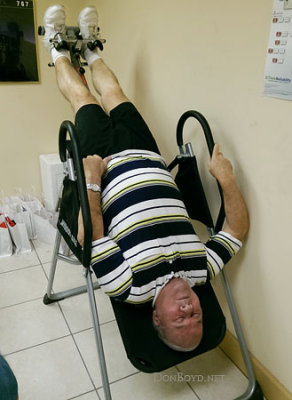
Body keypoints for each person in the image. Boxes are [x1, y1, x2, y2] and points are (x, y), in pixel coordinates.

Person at [42, 5, 249, 352]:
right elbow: (236, 231)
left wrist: (91, 179)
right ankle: (91, 49)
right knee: (117, 94)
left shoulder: (129, 287)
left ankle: (57, 48)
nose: (189, 309)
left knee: (83, 99)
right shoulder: (201, 272)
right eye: (196, 317)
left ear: (157, 318)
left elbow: (88, 237)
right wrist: (225, 178)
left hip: (105, 165)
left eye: (179, 319)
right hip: (148, 155)